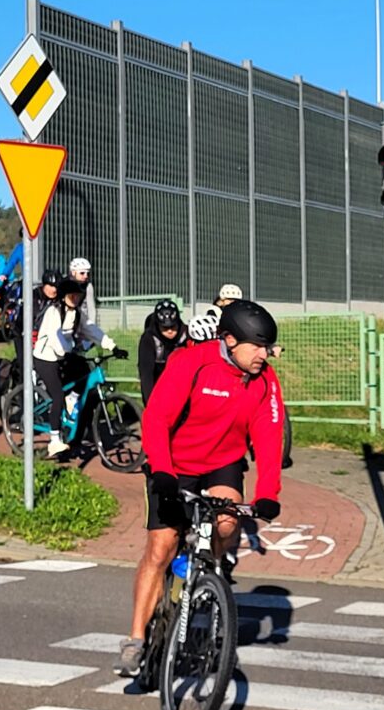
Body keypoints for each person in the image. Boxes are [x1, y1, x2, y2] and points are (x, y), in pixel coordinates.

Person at [115, 299, 284, 676]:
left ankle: (214, 574)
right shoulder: (193, 363)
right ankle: (135, 639)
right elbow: (157, 418)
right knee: (161, 549)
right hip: (174, 464)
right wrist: (161, 470)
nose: (264, 355)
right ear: (229, 340)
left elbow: (270, 438)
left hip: (222, 464)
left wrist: (268, 493)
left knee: (227, 523)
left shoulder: (264, 381)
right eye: (257, 346)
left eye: (268, 347)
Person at [33, 277, 125, 458]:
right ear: (63, 296)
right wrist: (67, 351)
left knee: (84, 378)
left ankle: (73, 403)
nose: (75, 299)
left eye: (78, 296)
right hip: (46, 357)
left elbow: (92, 331)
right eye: (71, 296)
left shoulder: (76, 314)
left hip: (64, 354)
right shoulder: (53, 312)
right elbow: (55, 336)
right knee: (57, 395)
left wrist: (112, 346)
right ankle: (54, 440)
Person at [138, 299, 188, 405]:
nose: (170, 331)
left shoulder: (186, 335)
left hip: (182, 386)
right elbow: (146, 374)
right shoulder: (149, 339)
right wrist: (150, 404)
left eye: (173, 326)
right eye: (165, 328)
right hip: (158, 385)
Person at [68, 256, 95, 323]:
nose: (86, 276)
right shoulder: (65, 285)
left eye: (87, 273)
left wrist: (92, 326)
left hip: (82, 323)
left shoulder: (88, 286)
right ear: (73, 272)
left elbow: (91, 308)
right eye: (82, 273)